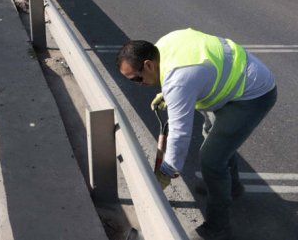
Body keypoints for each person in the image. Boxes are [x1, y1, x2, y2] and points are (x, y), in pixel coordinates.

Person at [116, 29, 277, 240]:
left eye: (136, 78)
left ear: (148, 64)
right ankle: (232, 187)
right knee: (213, 135)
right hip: (234, 82)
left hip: (253, 95)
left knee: (212, 159)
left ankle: (218, 228)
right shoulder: (163, 46)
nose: (139, 84)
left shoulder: (178, 80)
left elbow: (180, 132)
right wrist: (167, 93)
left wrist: (167, 170)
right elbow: (188, 72)